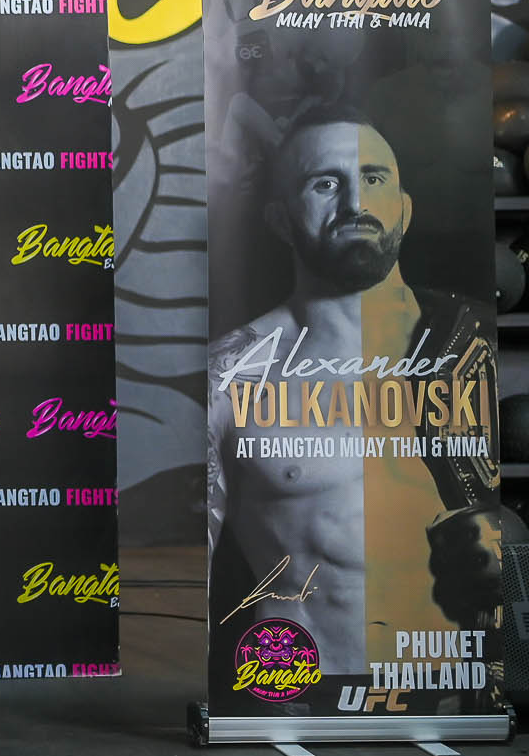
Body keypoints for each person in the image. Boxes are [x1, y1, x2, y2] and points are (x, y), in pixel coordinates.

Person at [208, 105, 503, 688]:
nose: (355, 203)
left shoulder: (476, 346)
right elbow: (198, 569)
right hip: (300, 694)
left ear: (405, 210)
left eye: (373, 178)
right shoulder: (231, 373)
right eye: (325, 183)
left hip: (457, 696)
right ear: (280, 219)